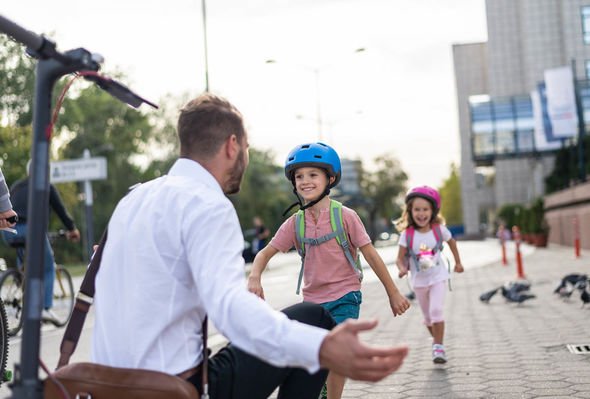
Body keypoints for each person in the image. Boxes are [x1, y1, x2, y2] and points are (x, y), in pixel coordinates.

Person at [91, 94, 408, 399]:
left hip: (107, 385)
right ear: (232, 146)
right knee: (314, 322)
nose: (245, 155)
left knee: (303, 324)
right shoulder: (207, 204)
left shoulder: (133, 200)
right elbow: (231, 310)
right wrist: (319, 347)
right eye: (246, 147)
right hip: (175, 389)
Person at [248, 142, 410, 399]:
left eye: (313, 175)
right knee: (316, 357)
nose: (305, 181)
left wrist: (393, 293)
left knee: (339, 352)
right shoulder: (295, 223)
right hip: (312, 303)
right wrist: (255, 276)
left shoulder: (345, 216)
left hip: (346, 295)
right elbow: (265, 253)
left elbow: (371, 255)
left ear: (330, 178)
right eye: (299, 176)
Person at [1, 162, 80, 323]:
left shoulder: (17, 186)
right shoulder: (46, 187)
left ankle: (21, 286)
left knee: (25, 262)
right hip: (32, 230)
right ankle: (45, 308)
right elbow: (60, 210)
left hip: (8, 232)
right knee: (48, 265)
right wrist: (72, 229)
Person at [394, 185, 464, 364]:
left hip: (438, 277)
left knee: (436, 311)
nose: (421, 213)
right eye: (417, 209)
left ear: (433, 211)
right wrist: (402, 269)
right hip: (418, 281)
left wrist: (458, 262)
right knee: (427, 318)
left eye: (425, 209)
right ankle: (437, 342)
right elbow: (399, 259)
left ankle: (438, 347)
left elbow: (452, 243)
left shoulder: (438, 230)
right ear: (410, 211)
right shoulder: (407, 235)